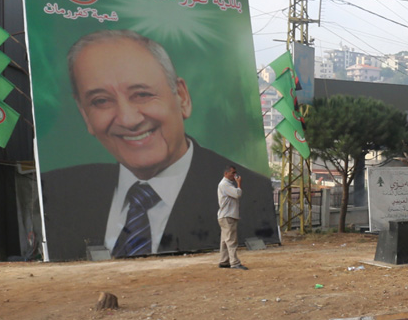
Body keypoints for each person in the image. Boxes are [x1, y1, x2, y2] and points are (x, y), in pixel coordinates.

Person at [39, 30, 274, 262]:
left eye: (142, 94)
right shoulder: (58, 195)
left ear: (182, 97)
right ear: (84, 114)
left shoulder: (253, 196)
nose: (128, 120)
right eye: (101, 101)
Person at [216, 165, 248, 270]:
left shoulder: (226, 184)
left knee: (225, 241)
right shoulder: (225, 184)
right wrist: (239, 183)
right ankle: (234, 262)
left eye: (235, 173)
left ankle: (224, 261)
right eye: (232, 173)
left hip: (225, 215)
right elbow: (237, 194)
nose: (234, 175)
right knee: (231, 240)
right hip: (228, 216)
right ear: (226, 173)